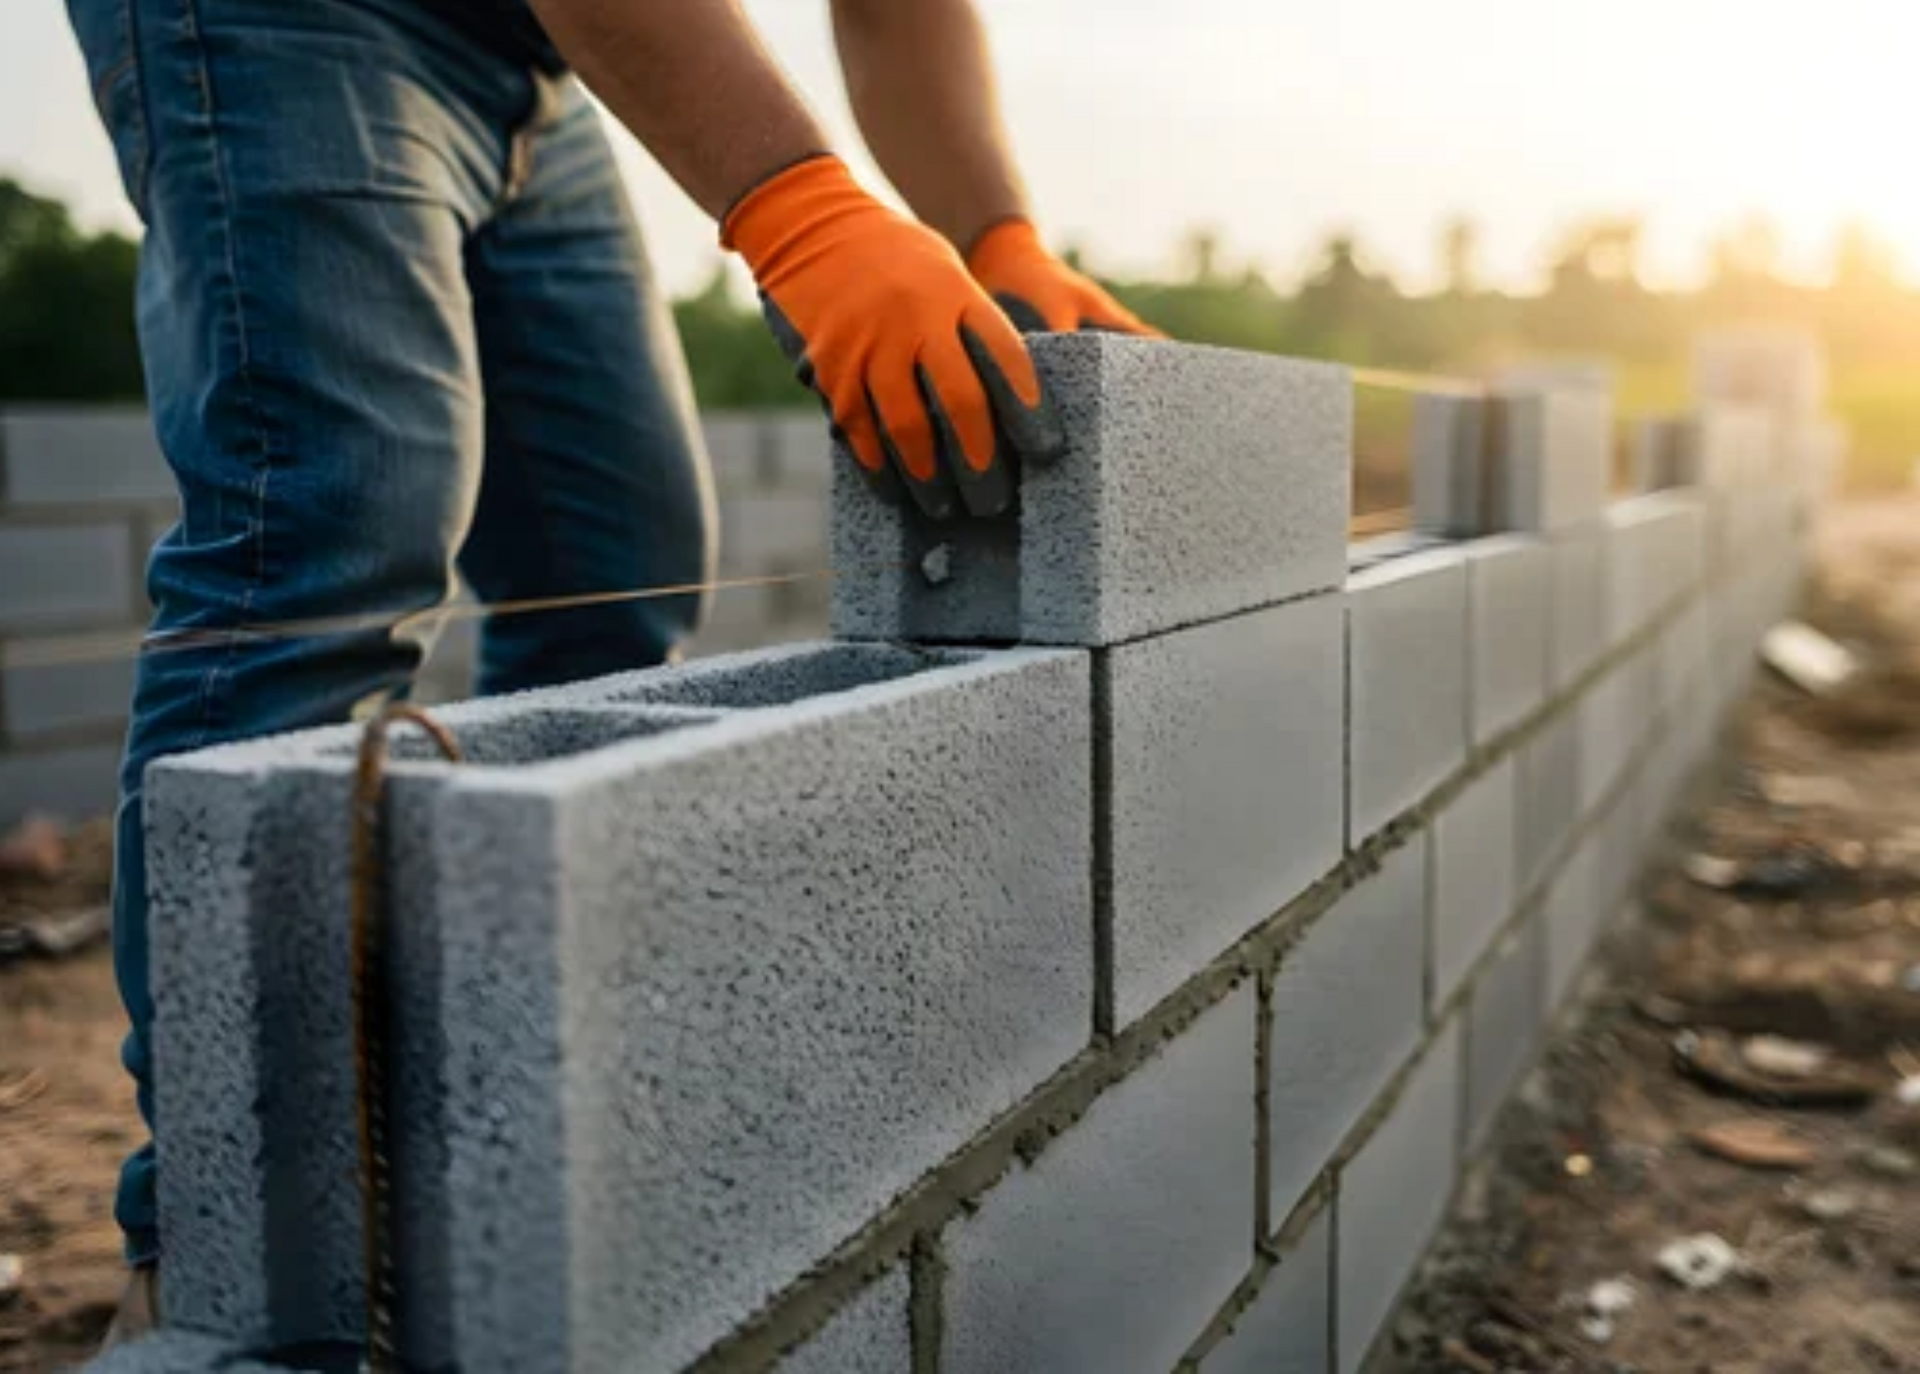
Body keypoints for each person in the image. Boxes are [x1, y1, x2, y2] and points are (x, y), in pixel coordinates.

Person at [62, 0, 1159, 1346]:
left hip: (527, 56)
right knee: (332, 528)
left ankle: (501, 1130)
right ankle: (229, 1264)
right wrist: (801, 207)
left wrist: (997, 233)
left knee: (616, 560)